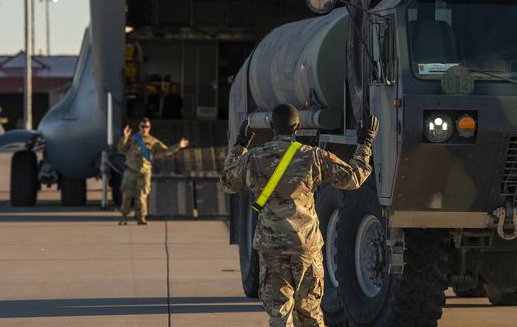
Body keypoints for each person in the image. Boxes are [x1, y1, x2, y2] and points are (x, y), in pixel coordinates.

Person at [219, 104, 377, 327]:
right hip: (306, 246)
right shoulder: (312, 156)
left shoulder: (255, 157)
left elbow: (227, 182)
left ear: (272, 126)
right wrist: (365, 144)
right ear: (298, 126)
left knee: (280, 314)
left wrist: (240, 145)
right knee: (310, 313)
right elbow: (353, 178)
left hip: (271, 247)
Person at [116, 117, 189, 225]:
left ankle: (141, 218)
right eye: (142, 126)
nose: (144, 129)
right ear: (139, 127)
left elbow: (166, 151)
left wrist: (178, 146)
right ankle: (124, 217)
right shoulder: (132, 139)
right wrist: (125, 137)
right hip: (130, 171)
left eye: (147, 127)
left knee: (142, 196)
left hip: (144, 172)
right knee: (127, 195)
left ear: (149, 128)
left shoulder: (153, 142)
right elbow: (121, 149)